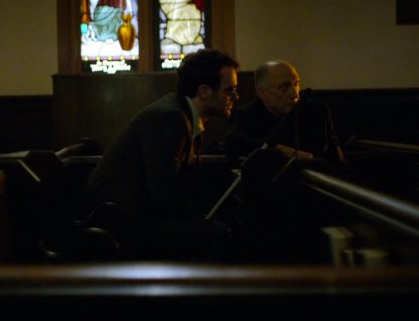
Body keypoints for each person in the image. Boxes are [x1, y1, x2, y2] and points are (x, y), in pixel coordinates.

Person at [81, 48, 240, 261]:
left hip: (133, 216)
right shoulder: (170, 119)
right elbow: (165, 193)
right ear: (204, 91)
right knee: (215, 234)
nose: (235, 97)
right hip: (119, 223)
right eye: (229, 90)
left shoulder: (181, 116)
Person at [224, 60, 344, 165]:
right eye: (284, 87)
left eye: (296, 84)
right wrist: (277, 151)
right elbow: (232, 142)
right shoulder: (247, 115)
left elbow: (336, 157)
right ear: (263, 94)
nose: (295, 94)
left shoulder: (316, 109)